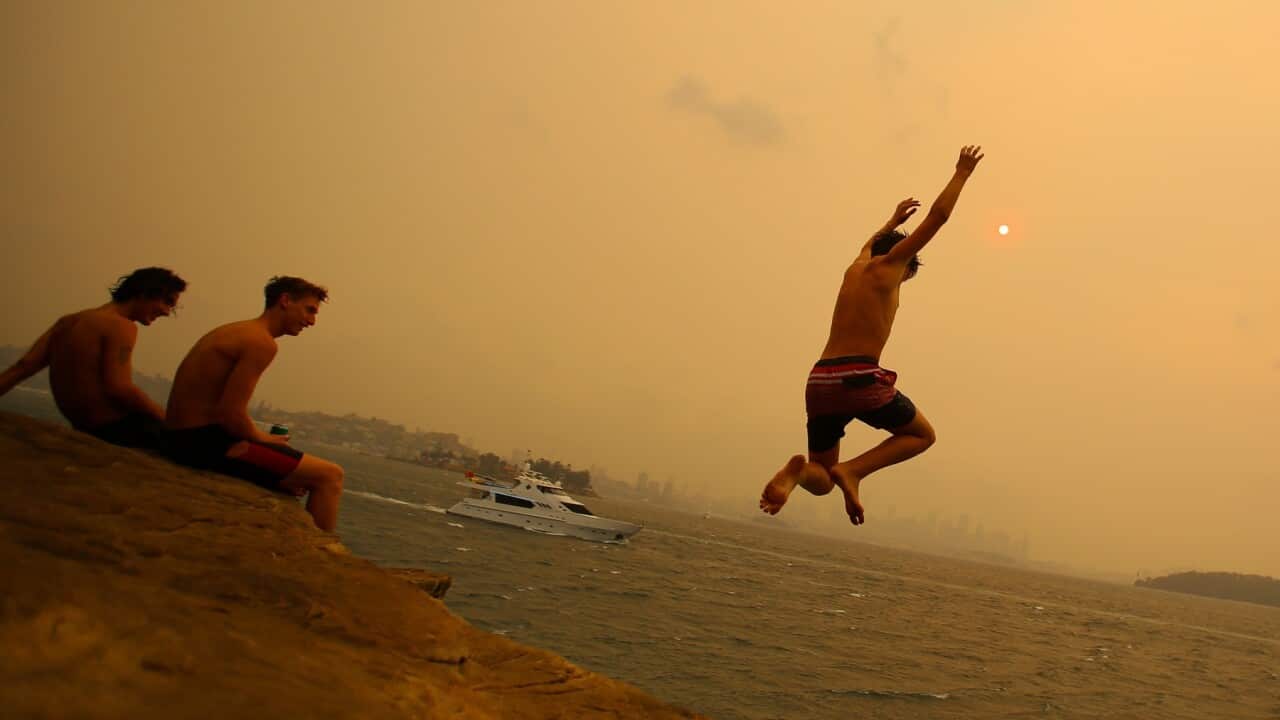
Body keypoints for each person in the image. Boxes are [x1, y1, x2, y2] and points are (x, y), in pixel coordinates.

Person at [760, 145, 985, 525]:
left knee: (821, 477)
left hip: (820, 380)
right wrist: (962, 173)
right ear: (903, 259)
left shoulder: (856, 266)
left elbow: (870, 241)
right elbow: (939, 216)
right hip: (857, 377)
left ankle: (798, 473)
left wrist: (891, 218)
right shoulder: (890, 265)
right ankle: (856, 471)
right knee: (922, 436)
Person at [164, 276, 344, 532]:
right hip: (202, 444)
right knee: (330, 476)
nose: (312, 321)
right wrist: (264, 439)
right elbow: (231, 415)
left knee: (292, 475)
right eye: (309, 310)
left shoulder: (236, 330)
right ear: (285, 301)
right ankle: (325, 556)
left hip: (183, 436)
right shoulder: (260, 342)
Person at [0, 267, 186, 448]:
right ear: (145, 293)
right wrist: (167, 419)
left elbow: (23, 366)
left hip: (84, 424)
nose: (167, 311)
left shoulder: (69, 321)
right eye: (167, 302)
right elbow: (119, 388)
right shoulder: (121, 326)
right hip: (115, 428)